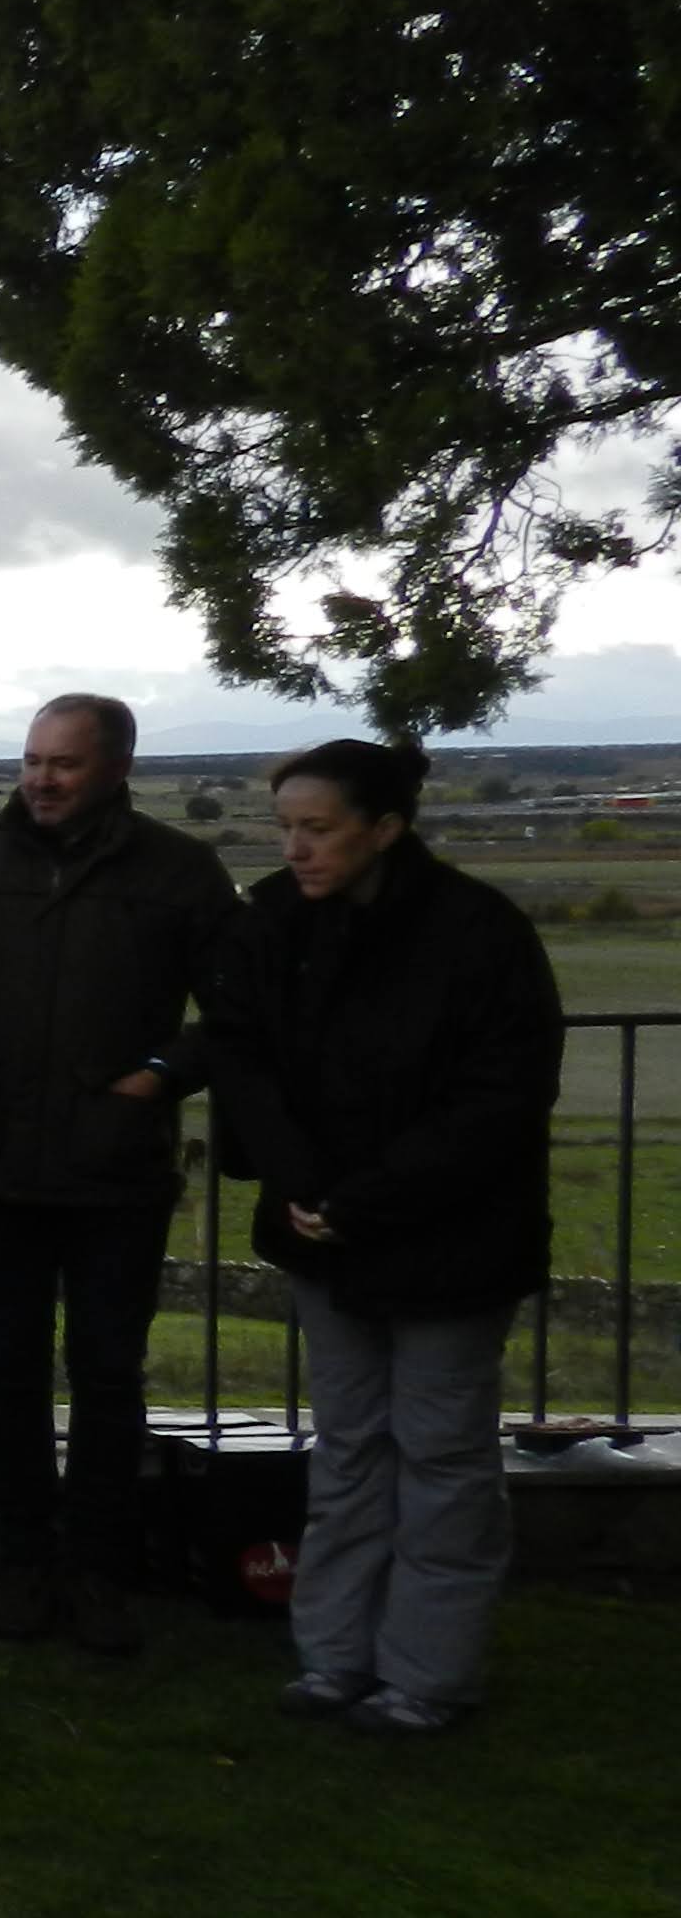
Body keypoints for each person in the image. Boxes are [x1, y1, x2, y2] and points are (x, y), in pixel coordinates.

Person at [208, 740, 560, 1737]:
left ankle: (425, 1677)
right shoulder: (273, 921)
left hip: (448, 1245)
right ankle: (333, 1657)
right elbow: (240, 1058)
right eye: (285, 829)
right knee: (351, 1447)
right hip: (325, 1233)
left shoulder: (476, 934)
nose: (296, 849)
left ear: (385, 829)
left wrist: (364, 1196)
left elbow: (497, 1097)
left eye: (316, 831)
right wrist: (300, 1184)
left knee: (442, 1460)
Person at [0, 694, 236, 1656]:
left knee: (107, 1374)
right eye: (32, 759)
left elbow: (239, 1003)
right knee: (9, 1373)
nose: (42, 779)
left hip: (118, 1170)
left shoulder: (180, 871)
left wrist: (155, 1080)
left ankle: (99, 1573)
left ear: (117, 769)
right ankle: (21, 1567)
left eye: (64, 764)